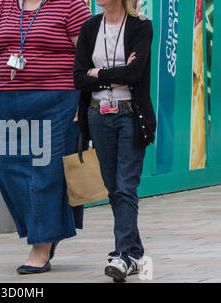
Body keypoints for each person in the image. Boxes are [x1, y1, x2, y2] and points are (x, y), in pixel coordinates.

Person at [0, 0, 92, 274]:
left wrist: (86, 101)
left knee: (46, 174)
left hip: (57, 102)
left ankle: (42, 246)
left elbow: (88, 55)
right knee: (6, 170)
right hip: (10, 103)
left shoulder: (71, 4)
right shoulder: (4, 6)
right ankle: (47, 230)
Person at [73, 0, 156, 282]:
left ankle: (122, 255)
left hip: (131, 116)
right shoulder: (89, 27)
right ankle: (134, 253)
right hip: (98, 117)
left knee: (125, 187)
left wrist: (98, 74)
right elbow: (78, 78)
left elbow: (135, 74)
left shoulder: (141, 26)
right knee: (113, 188)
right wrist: (112, 76)